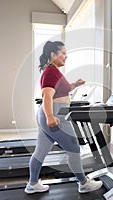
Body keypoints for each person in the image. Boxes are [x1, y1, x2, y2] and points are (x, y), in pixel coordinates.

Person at [25, 41, 103, 194]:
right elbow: (47, 95)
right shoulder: (51, 71)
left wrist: (75, 84)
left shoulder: (52, 71)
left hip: (51, 113)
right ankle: (84, 183)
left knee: (40, 151)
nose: (66, 57)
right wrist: (50, 117)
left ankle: (32, 184)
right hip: (56, 115)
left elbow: (60, 91)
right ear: (53, 54)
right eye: (63, 53)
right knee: (74, 149)